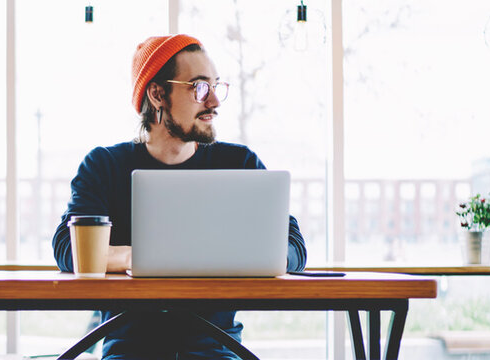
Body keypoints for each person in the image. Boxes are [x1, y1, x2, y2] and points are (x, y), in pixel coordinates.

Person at [51, 34, 308, 359]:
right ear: (158, 94)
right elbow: (66, 248)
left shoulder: (239, 164)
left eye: (216, 86)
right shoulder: (105, 166)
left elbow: (295, 246)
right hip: (129, 350)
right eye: (199, 87)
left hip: (218, 349)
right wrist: (138, 259)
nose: (214, 101)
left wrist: (261, 257)